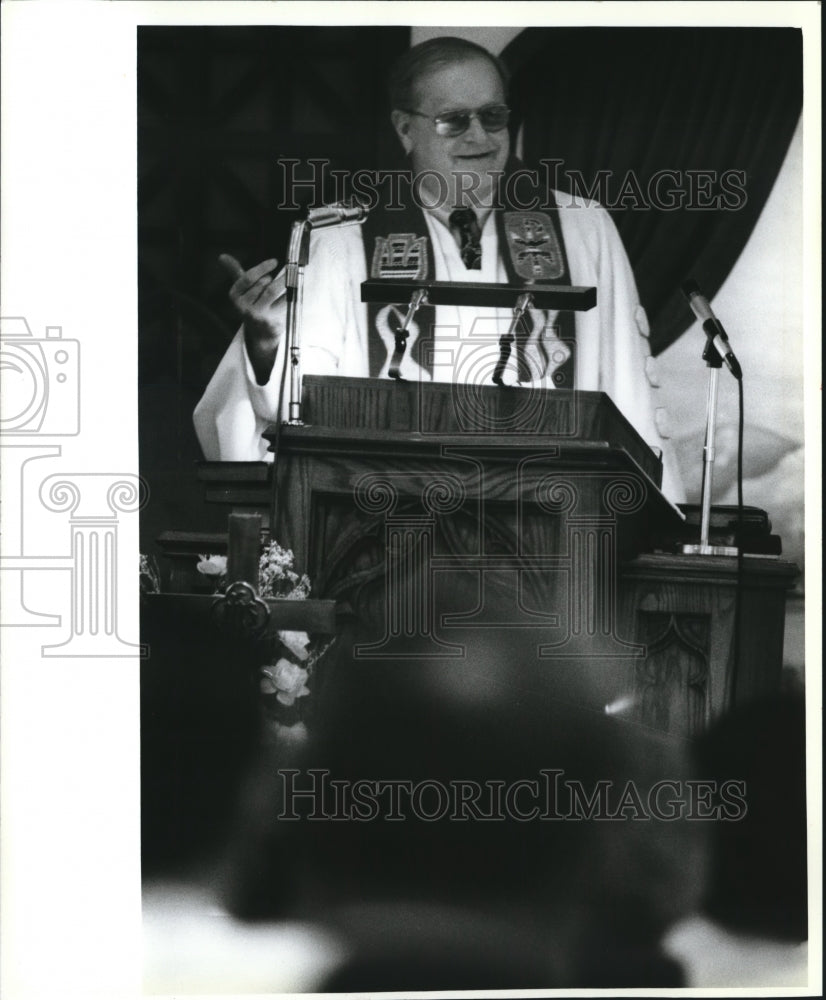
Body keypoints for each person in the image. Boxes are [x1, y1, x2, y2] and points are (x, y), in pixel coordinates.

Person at [193, 36, 684, 502]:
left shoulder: (581, 228)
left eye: (493, 116)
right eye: (454, 121)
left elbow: (627, 395)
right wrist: (265, 341)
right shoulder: (345, 237)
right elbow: (303, 414)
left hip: (549, 517)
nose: (480, 136)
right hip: (388, 520)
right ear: (405, 129)